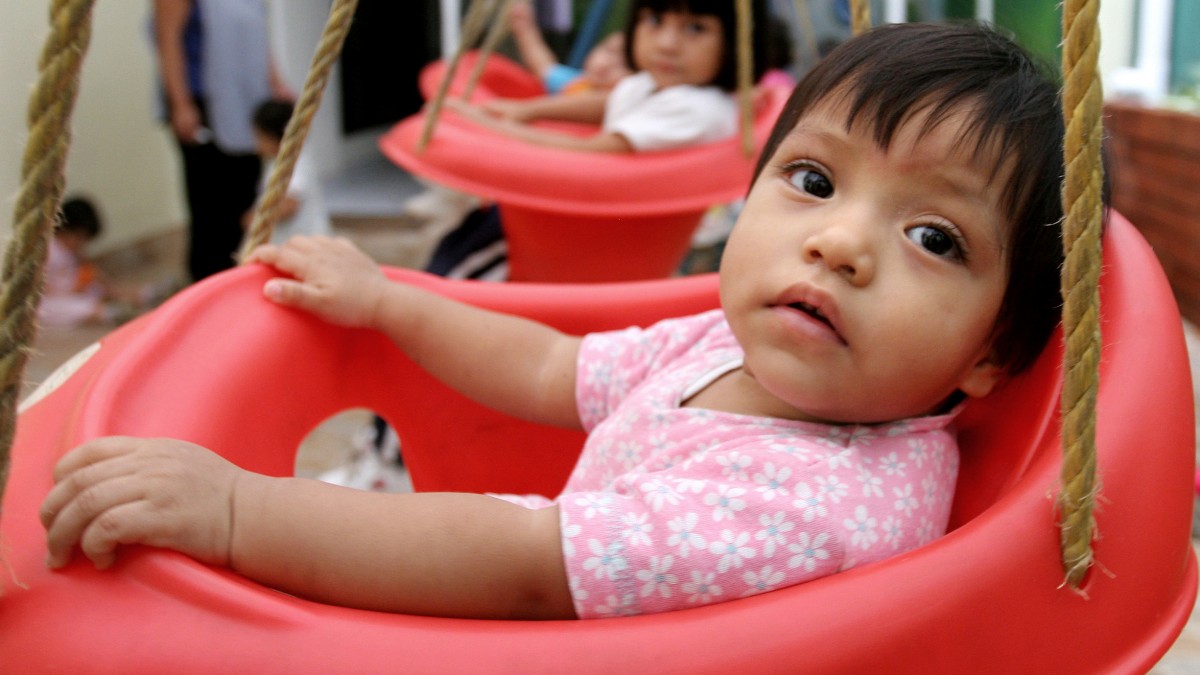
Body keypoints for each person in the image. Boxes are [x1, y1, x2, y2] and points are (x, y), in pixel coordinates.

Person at [42, 22, 1077, 620]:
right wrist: (395, 301)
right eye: (813, 179)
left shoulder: (819, 503)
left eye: (934, 238)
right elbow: (551, 367)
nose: (841, 243)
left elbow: (526, 563)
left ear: (993, 351)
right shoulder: (729, 344)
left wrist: (236, 513)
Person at [425, 0, 774, 279]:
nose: (667, 43)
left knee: (455, 270)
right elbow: (611, 100)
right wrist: (525, 111)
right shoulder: (661, 85)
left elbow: (591, 151)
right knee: (463, 233)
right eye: (654, 19)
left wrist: (491, 127)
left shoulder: (696, 109)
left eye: (695, 28)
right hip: (582, 217)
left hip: (592, 239)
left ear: (737, 41)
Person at [152, 0, 292, 283]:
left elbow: (258, 38)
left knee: (246, 196)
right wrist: (181, 104)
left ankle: (244, 278)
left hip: (247, 102)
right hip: (203, 106)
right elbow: (168, 38)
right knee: (212, 207)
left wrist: (276, 84)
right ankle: (210, 284)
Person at [246, 100, 333, 245]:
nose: (256, 144)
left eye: (260, 137)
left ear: (276, 137)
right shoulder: (273, 160)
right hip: (288, 242)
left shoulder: (297, 162)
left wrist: (258, 219)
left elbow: (290, 204)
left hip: (306, 243)